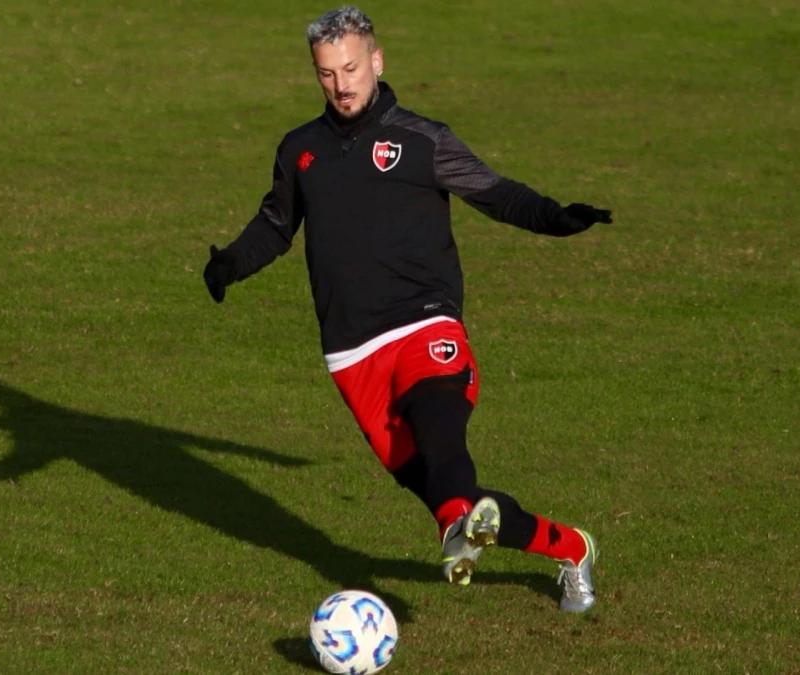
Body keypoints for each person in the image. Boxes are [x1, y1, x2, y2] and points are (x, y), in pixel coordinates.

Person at [202, 6, 611, 613]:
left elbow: (495, 193)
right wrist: (230, 264)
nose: (341, 85)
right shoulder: (300, 150)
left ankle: (461, 525)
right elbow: (276, 225)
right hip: (352, 353)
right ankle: (571, 547)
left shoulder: (423, 140)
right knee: (444, 491)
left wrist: (557, 218)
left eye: (351, 69)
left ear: (376, 60)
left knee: (440, 429)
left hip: (424, 321)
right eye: (326, 74)